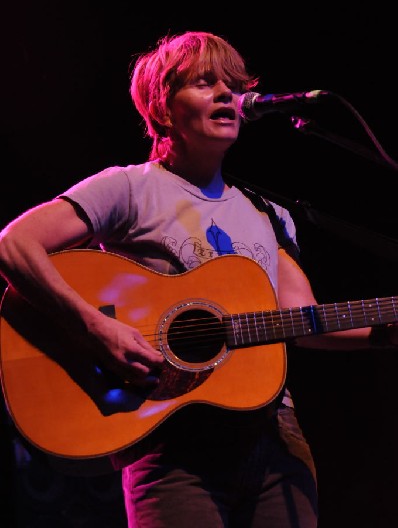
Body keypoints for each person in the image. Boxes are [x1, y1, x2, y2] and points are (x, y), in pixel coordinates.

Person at [0, 30, 397, 528]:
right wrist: (94, 327)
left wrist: (386, 332)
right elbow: (14, 245)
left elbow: (304, 320)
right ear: (163, 109)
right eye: (205, 83)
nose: (227, 93)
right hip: (170, 444)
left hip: (274, 439)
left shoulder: (270, 215)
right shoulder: (128, 188)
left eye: (231, 83)